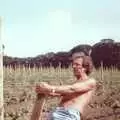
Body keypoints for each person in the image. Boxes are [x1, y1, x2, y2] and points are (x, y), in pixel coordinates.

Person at [35, 52, 96, 120]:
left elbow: (72, 89)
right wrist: (44, 90)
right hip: (56, 113)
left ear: (85, 67)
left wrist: (49, 87)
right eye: (73, 64)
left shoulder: (91, 82)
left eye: (77, 64)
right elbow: (56, 93)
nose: (73, 66)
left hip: (67, 115)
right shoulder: (74, 83)